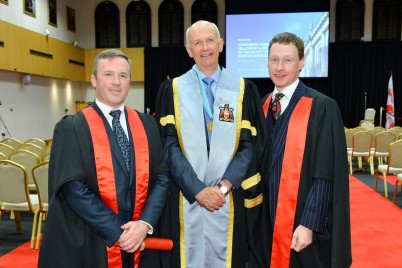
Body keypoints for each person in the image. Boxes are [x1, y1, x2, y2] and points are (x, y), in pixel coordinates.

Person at [38, 49, 170, 268]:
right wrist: (117, 231)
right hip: (93, 239)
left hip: (140, 238)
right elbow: (72, 187)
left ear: (130, 81)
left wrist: (144, 224)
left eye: (123, 75)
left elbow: (162, 176)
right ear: (94, 80)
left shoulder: (147, 124)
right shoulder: (72, 127)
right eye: (108, 74)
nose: (116, 82)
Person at [155, 20, 266, 267]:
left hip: (229, 197)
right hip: (186, 195)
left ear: (221, 44)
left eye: (210, 40)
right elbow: (168, 146)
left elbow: (249, 146)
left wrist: (223, 187)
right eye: (197, 42)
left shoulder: (243, 90)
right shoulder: (172, 90)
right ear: (188, 49)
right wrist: (197, 189)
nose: (205, 48)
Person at [259, 32, 352, 267]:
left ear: (301, 62)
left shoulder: (321, 107)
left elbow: (325, 173)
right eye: (274, 60)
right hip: (265, 223)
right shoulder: (262, 105)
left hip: (302, 222)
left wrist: (309, 223)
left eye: (288, 60)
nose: (279, 67)